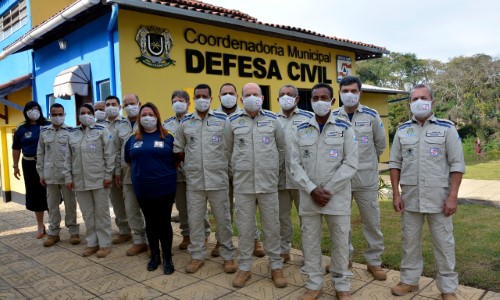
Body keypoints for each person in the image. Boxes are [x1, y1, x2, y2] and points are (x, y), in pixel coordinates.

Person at [389, 84, 465, 300]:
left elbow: (457, 165)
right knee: (409, 243)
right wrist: (396, 194)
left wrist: (453, 196)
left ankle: (448, 289)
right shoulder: (403, 130)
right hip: (410, 198)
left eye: (423, 98)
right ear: (409, 103)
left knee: (444, 244)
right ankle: (409, 281)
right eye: (414, 99)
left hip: (439, 199)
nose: (418, 102)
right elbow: (395, 163)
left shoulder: (447, 129)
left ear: (432, 102)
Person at [290, 83, 358, 300]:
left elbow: (351, 164)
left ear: (332, 101)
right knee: (310, 242)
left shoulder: (345, 128)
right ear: (310, 102)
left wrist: (326, 190)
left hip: (336, 197)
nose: (320, 101)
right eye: (315, 98)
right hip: (309, 197)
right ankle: (313, 284)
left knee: (340, 243)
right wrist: (311, 190)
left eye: (324, 97)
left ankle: (342, 285)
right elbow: (293, 164)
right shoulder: (300, 129)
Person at [225, 83, 287, 288]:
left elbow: (282, 149)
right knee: (244, 230)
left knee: (272, 228)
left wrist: (272, 171)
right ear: (241, 99)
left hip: (268, 185)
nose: (252, 97)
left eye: (256, 94)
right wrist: (237, 172)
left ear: (262, 97)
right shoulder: (232, 121)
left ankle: (276, 267)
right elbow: (228, 151)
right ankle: (244, 269)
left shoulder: (273, 120)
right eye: (247, 95)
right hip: (243, 186)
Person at [174, 84, 236, 274]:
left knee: (223, 220)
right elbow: (178, 150)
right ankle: (197, 256)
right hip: (194, 182)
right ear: (193, 99)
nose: (202, 99)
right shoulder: (185, 123)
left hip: (218, 180)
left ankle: (228, 255)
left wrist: (228, 172)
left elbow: (231, 149)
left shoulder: (223, 121)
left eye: (205, 96)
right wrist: (189, 168)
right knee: (195, 220)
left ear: (211, 99)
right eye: (198, 96)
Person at [332, 76, 387, 280]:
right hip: (341, 182)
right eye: (345, 91)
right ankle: (344, 259)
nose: (349, 94)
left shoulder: (372, 116)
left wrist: (368, 164)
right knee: (341, 224)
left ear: (360, 92)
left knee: (371, 222)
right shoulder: (333, 116)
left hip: (366, 181)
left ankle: (374, 262)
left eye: (353, 91)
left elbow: (380, 145)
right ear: (339, 92)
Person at [212, 82, 265, 258]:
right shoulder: (213, 115)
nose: (228, 96)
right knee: (222, 208)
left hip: (244, 171)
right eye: (224, 93)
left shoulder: (245, 114)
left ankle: (255, 240)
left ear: (237, 96)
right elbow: (225, 147)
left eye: (231, 93)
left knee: (247, 207)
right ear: (219, 97)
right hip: (220, 169)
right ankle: (222, 241)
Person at [124, 102, 177, 275]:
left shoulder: (168, 136)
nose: (148, 117)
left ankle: (168, 257)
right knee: (150, 222)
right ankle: (155, 256)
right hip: (143, 188)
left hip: (165, 187)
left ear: (157, 117)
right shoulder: (133, 139)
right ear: (139, 118)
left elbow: (177, 159)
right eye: (144, 114)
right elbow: (129, 160)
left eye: (151, 114)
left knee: (163, 222)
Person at [63, 103, 115, 258]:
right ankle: (92, 243)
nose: (85, 115)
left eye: (88, 112)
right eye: (82, 112)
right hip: (80, 181)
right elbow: (68, 158)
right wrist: (68, 177)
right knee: (87, 213)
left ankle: (105, 244)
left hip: (99, 179)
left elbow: (109, 155)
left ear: (93, 114)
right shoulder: (73, 134)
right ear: (78, 116)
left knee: (102, 213)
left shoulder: (101, 131)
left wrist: (108, 175)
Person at [163, 90, 211, 250]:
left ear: (188, 103)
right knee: (183, 207)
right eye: (175, 100)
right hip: (177, 174)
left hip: (195, 172)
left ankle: (203, 234)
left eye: (181, 100)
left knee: (198, 207)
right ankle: (186, 235)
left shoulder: (195, 120)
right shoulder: (166, 124)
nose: (178, 103)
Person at [276, 84, 313, 263]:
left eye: (290, 94)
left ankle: (309, 254)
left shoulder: (309, 118)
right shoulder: (273, 120)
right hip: (280, 179)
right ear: (277, 99)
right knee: (282, 218)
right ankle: (284, 251)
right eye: (282, 94)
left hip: (302, 180)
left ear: (297, 99)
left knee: (306, 219)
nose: (286, 97)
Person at [36, 103, 80, 247]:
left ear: (64, 115)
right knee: (52, 206)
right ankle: (54, 233)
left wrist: (73, 175)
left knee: (70, 204)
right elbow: (40, 154)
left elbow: (74, 154)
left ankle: (74, 232)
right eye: (54, 114)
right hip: (50, 175)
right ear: (50, 115)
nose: (57, 117)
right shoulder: (44, 132)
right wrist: (41, 173)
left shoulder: (71, 131)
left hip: (66, 175)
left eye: (60, 114)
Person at [113, 94, 147, 256]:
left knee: (148, 210)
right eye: (125, 104)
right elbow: (117, 152)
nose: (129, 106)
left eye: (132, 103)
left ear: (139, 104)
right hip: (127, 176)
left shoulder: (147, 121)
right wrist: (116, 172)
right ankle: (139, 241)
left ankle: (152, 240)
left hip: (147, 176)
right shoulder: (120, 126)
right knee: (132, 209)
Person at [12, 101, 51, 238]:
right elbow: (16, 147)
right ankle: (40, 225)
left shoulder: (48, 125)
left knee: (50, 193)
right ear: (26, 111)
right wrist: (15, 165)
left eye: (36, 108)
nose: (34, 111)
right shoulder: (21, 128)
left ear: (40, 110)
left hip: (47, 164)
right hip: (29, 165)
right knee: (35, 195)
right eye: (30, 109)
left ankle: (53, 224)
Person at [104, 95, 132, 245]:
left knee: (132, 202)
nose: (110, 106)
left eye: (113, 104)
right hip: (110, 170)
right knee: (117, 202)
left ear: (119, 106)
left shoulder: (125, 124)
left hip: (127, 169)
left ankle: (139, 232)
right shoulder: (100, 125)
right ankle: (124, 231)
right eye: (107, 104)